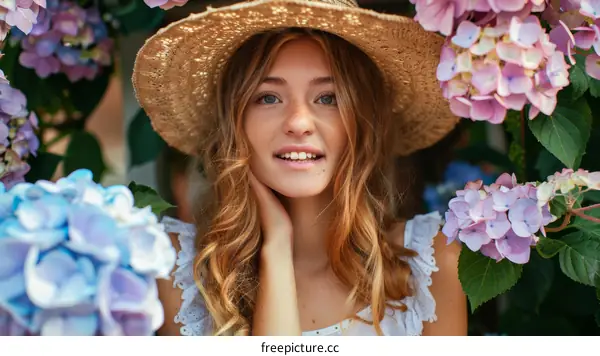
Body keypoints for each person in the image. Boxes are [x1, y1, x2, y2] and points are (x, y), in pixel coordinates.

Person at [132, 0, 467, 336]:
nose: (298, 123)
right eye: (268, 97)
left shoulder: (432, 263)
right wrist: (276, 249)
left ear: (364, 122)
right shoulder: (181, 275)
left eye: (328, 98)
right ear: (235, 122)